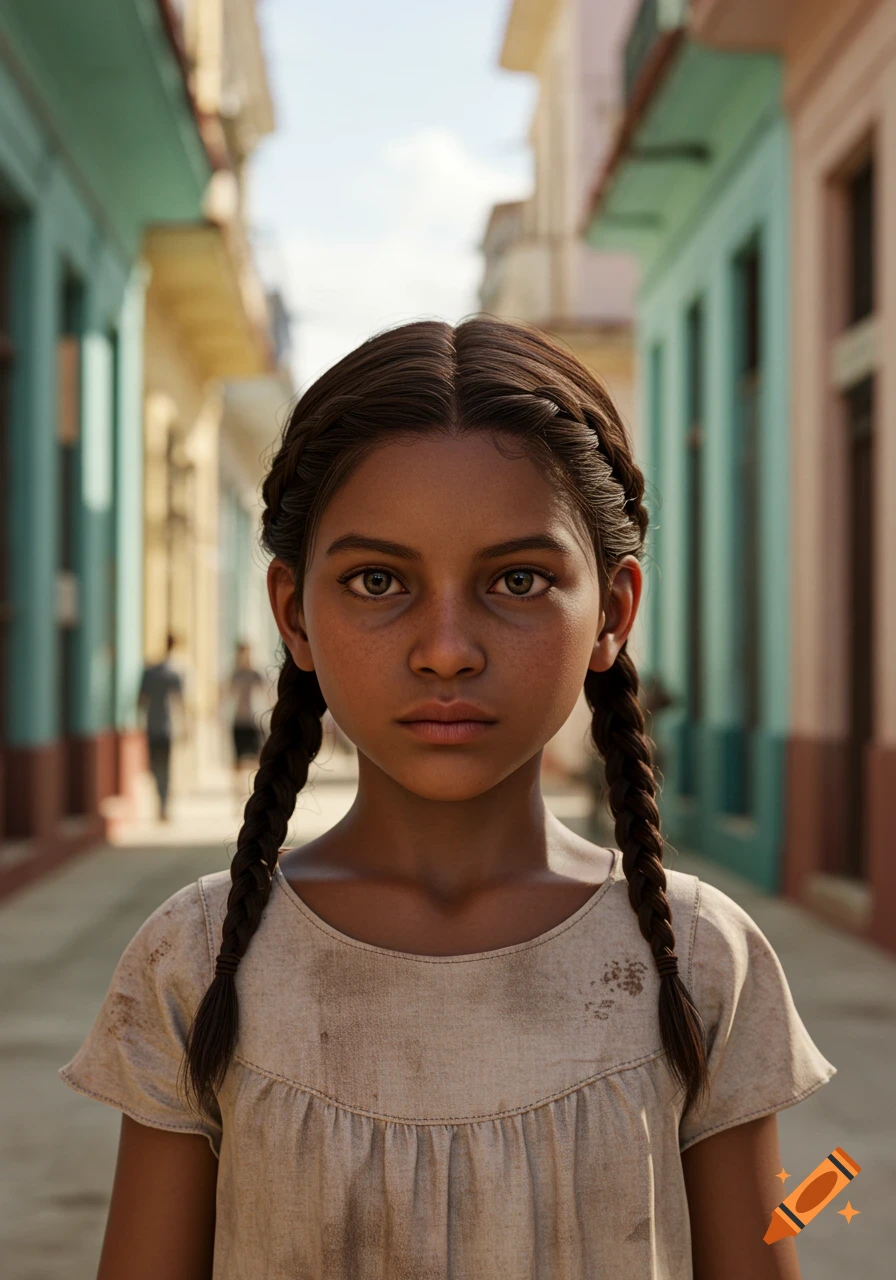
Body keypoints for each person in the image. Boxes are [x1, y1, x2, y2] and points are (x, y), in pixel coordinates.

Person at [59, 318, 836, 1279]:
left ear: (614, 612)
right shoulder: (199, 962)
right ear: (295, 613)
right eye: (378, 580)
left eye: (518, 578)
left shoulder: (699, 963)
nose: (446, 647)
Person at [137, 633, 186, 823]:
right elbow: (180, 703)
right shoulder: (174, 673)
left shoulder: (150, 671)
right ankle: (163, 805)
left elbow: (141, 700)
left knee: (155, 767)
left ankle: (161, 803)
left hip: (152, 724)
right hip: (168, 726)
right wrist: (185, 727)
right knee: (165, 767)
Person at [224, 640, 267, 792]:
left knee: (257, 758)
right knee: (237, 761)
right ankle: (238, 791)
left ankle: (257, 789)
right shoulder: (235, 674)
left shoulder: (256, 673)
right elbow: (227, 694)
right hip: (238, 720)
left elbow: (267, 693)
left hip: (254, 720)